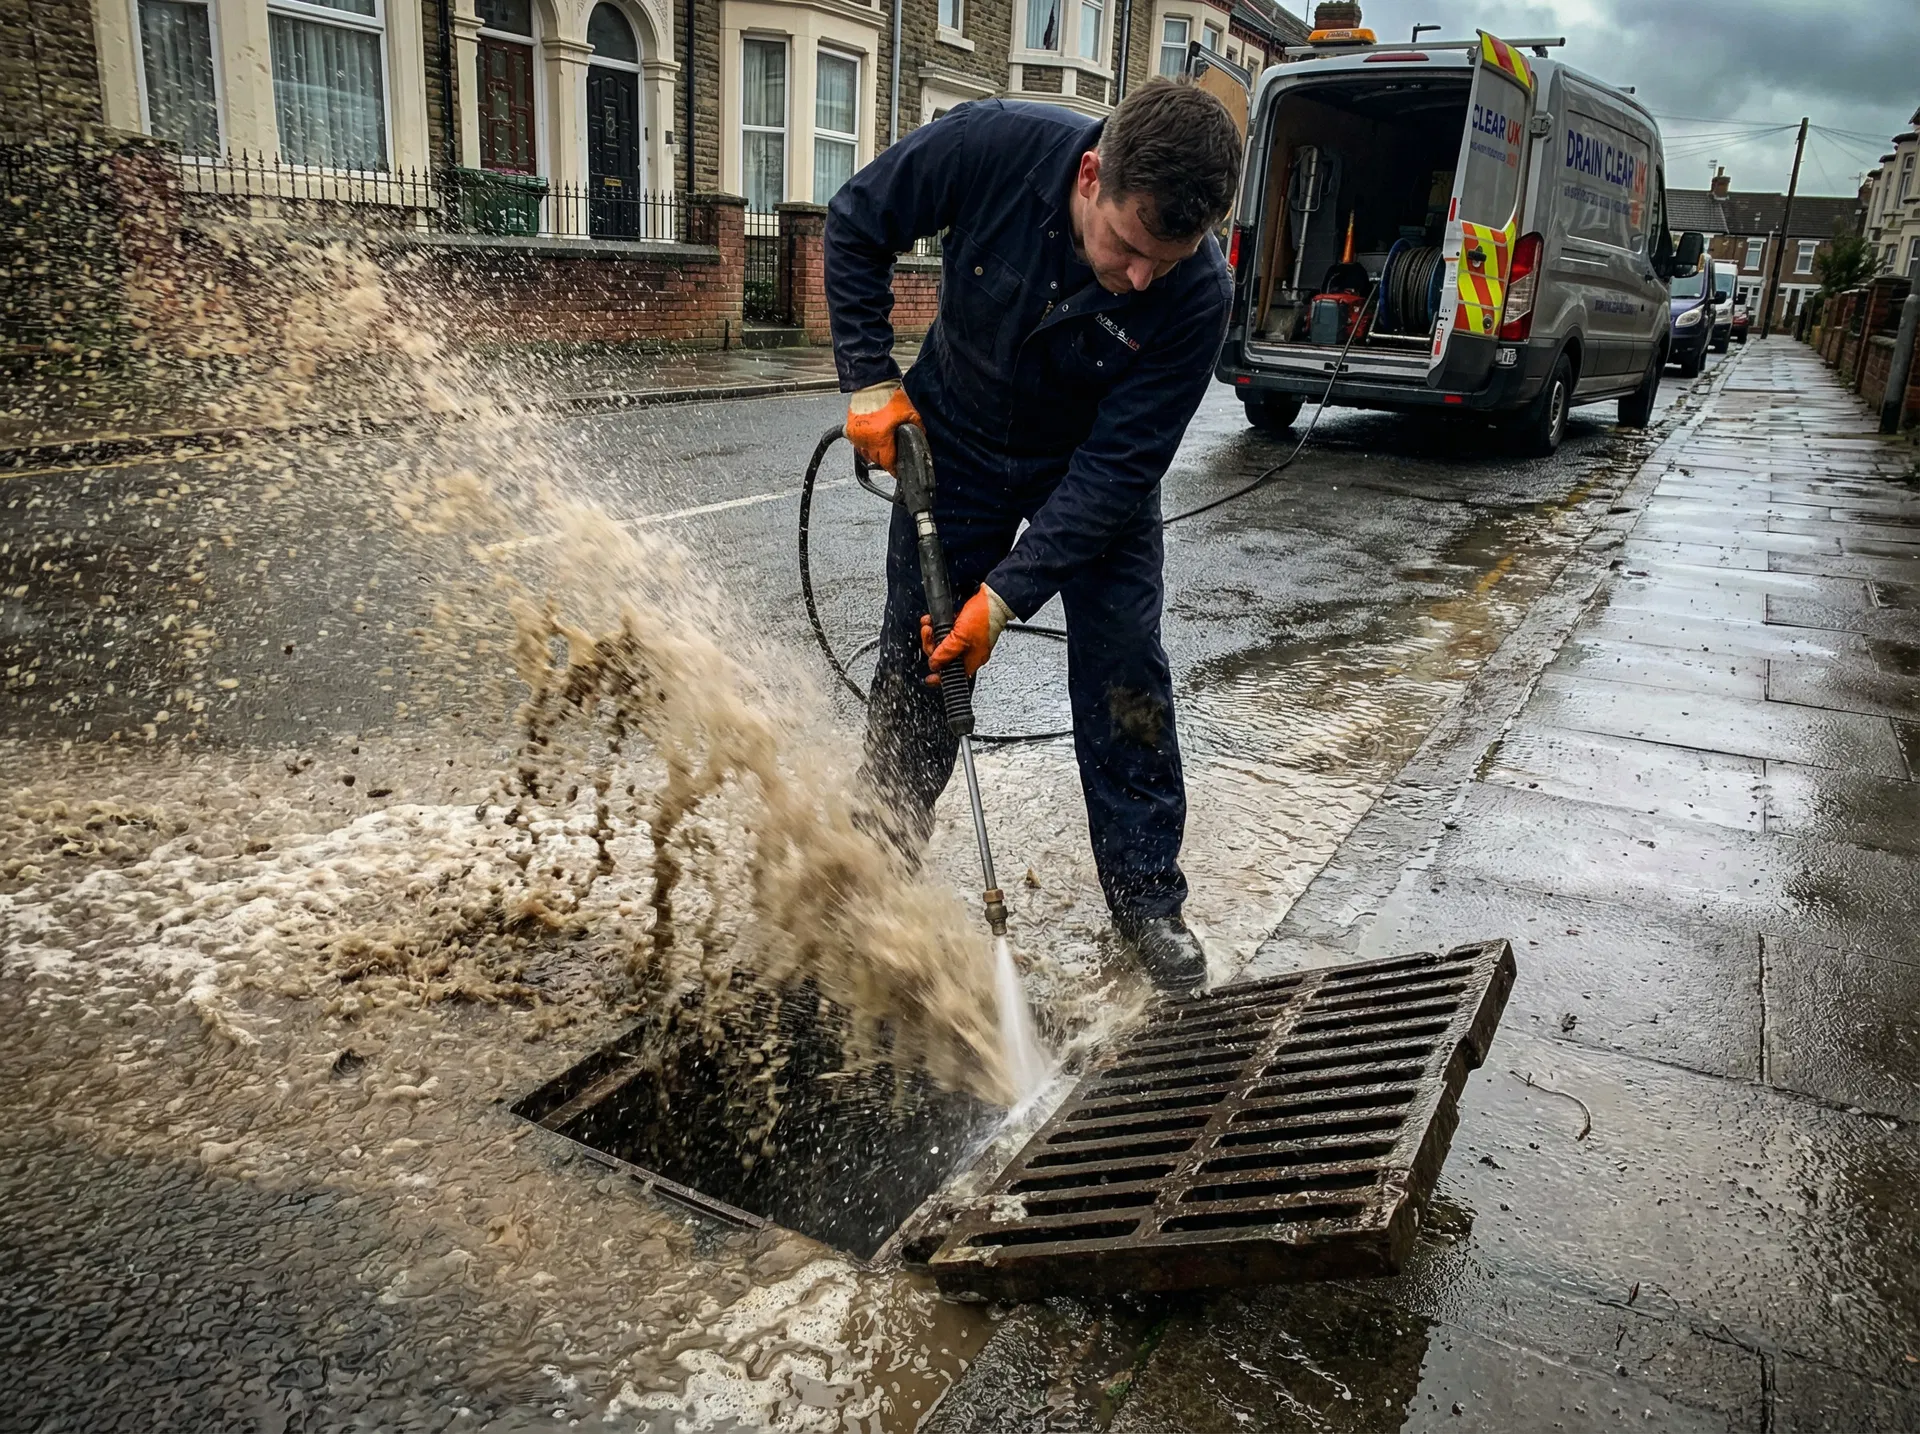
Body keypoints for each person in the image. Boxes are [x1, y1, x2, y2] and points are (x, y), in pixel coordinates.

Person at [824, 81, 1241, 990]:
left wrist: (1006, 599)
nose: (1139, 280)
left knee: (1126, 661)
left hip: (1089, 470)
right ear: (1090, 175)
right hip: (957, 441)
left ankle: (1146, 897)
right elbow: (855, 224)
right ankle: (876, 860)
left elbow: (1117, 471)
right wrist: (867, 379)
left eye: (1161, 265)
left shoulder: (1198, 293)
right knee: (923, 656)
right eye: (1127, 248)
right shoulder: (991, 147)